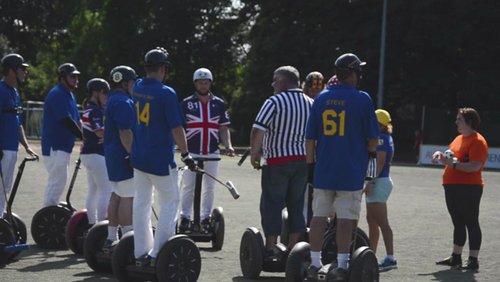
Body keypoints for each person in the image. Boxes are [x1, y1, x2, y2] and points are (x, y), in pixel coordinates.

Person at [305, 53, 379, 279]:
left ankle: (315, 263)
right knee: (346, 220)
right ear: (354, 72)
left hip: (324, 169)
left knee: (318, 217)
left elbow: (310, 139)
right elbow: (373, 138)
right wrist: (371, 154)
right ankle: (343, 265)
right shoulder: (363, 99)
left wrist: (310, 166)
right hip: (350, 170)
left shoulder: (321, 98)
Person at [131, 47, 196, 267]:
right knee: (170, 203)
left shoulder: (137, 86)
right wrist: (186, 154)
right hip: (159, 158)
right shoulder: (166, 92)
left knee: (141, 204)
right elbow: (177, 129)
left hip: (139, 157)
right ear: (162, 68)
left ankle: (140, 252)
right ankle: (157, 254)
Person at [250, 65, 313, 260]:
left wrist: (255, 154)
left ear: (284, 82)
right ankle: (294, 249)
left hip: (277, 160)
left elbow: (257, 129)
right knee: (296, 204)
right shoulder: (311, 102)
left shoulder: (275, 101)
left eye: (275, 80)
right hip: (302, 161)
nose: (273, 84)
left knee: (272, 203)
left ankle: (271, 247)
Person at [178, 67, 235, 233]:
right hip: (191, 151)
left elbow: (223, 128)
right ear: (195, 83)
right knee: (189, 186)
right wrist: (182, 149)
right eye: (200, 82)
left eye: (206, 82)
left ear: (210, 83)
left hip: (212, 152)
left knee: (210, 187)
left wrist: (228, 145)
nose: (203, 85)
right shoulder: (186, 103)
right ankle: (185, 217)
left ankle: (205, 217)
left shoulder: (219, 103)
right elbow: (180, 127)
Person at [432, 107, 488, 271]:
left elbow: (475, 166)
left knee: (471, 222)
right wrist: (440, 156)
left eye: (459, 119)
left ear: (469, 122)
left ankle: (473, 259)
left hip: (469, 188)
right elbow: (451, 158)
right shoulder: (457, 139)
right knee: (458, 222)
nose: (456, 122)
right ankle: (456, 257)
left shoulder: (478, 141)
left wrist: (454, 164)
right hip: (451, 186)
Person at [102, 66, 137, 250]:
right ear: (124, 83)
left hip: (112, 154)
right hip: (123, 154)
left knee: (116, 195)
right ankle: (128, 238)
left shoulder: (112, 100)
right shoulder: (124, 101)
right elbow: (125, 132)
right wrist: (133, 154)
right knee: (128, 198)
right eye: (132, 82)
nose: (133, 86)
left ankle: (111, 237)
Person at [0, 53, 38, 217]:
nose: (25, 72)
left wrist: (26, 146)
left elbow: (18, 123)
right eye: (22, 69)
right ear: (11, 70)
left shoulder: (14, 92)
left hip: (11, 148)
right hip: (2, 148)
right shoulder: (0, 90)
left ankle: (1, 219)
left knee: (6, 187)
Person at [41, 63, 82, 208]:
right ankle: (48, 212)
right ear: (62, 78)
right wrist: (84, 137)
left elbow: (77, 120)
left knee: (59, 180)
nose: (76, 79)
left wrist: (86, 135)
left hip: (63, 146)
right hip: (55, 146)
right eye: (72, 76)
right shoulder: (57, 94)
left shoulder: (69, 95)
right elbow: (66, 120)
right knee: (57, 181)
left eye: (77, 76)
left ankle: (51, 208)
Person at [364, 109, 397, 271]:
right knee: (372, 221)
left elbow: (381, 162)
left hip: (379, 181)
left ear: (379, 124)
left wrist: (370, 181)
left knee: (382, 222)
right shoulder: (386, 137)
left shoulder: (382, 138)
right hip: (381, 181)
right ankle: (371, 255)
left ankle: (391, 258)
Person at [80, 78, 112, 228]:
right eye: (104, 93)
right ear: (96, 93)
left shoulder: (87, 108)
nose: (106, 96)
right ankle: (101, 226)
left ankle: (92, 224)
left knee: (93, 190)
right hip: (96, 154)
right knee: (106, 189)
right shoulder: (95, 111)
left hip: (87, 154)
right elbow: (99, 132)